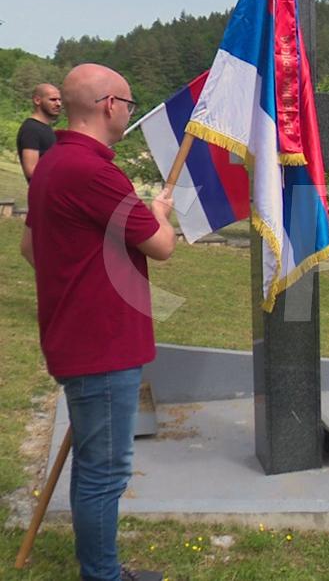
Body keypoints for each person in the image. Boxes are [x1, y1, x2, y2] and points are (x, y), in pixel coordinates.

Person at [20, 64, 174, 581]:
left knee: (95, 465)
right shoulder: (95, 172)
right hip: (101, 346)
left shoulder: (54, 164)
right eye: (129, 105)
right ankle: (102, 575)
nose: (129, 113)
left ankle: (102, 568)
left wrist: (77, 272)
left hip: (77, 338)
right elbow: (161, 245)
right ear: (110, 105)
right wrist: (160, 210)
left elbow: (30, 247)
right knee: (105, 473)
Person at [16, 83, 62, 181]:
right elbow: (31, 170)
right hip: (41, 193)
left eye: (59, 100)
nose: (58, 104)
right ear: (37, 100)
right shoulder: (31, 129)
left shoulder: (46, 128)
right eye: (53, 100)